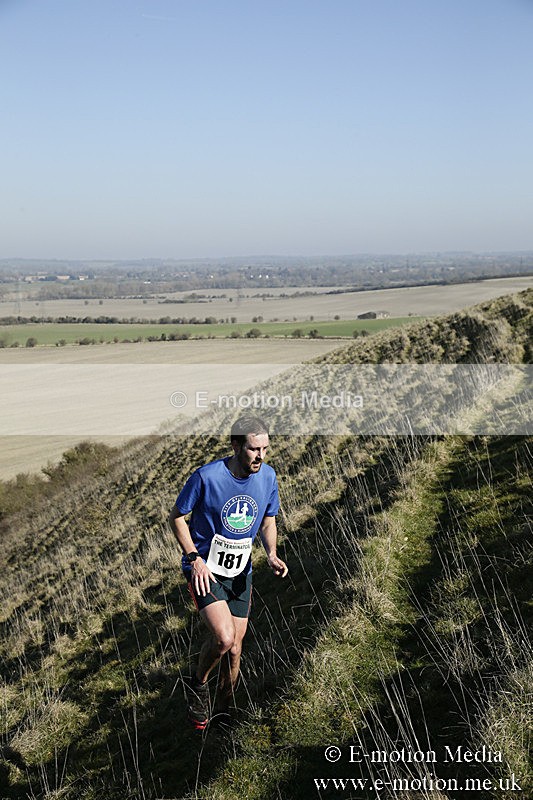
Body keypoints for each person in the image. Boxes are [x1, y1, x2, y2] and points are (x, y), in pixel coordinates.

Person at [168, 415, 288, 730]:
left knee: (236, 650)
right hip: (205, 569)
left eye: (265, 448)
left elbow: (267, 520)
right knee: (223, 639)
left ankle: (222, 713)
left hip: (240, 571)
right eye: (253, 449)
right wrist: (193, 558)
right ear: (236, 446)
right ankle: (197, 683)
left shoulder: (268, 477)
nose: (260, 456)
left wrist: (272, 553)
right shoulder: (206, 477)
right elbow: (177, 517)